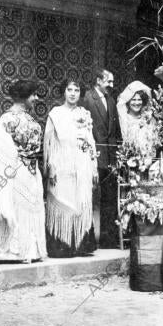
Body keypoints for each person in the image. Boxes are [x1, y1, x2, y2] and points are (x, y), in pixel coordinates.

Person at [0, 79, 47, 263]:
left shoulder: (29, 118)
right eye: (33, 95)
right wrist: (14, 162)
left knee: (29, 207)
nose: (36, 98)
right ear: (24, 96)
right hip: (17, 171)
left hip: (32, 171)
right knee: (18, 206)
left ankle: (29, 250)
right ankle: (8, 251)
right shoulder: (7, 119)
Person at [44, 80, 98, 257]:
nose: (73, 93)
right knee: (63, 198)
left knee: (80, 201)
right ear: (64, 92)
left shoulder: (85, 114)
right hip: (61, 164)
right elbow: (48, 143)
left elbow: (90, 142)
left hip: (81, 164)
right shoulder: (55, 114)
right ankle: (62, 245)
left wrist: (93, 167)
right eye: (69, 89)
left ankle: (81, 245)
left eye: (77, 90)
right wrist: (50, 166)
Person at [80, 68, 120, 248]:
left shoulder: (111, 100)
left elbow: (115, 131)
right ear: (98, 80)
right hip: (93, 156)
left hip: (110, 157)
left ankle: (108, 239)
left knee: (110, 198)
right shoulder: (87, 99)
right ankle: (86, 239)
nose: (111, 85)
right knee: (88, 196)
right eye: (108, 81)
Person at [116, 81, 160, 168]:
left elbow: (154, 142)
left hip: (147, 161)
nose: (136, 103)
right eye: (133, 100)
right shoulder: (123, 119)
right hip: (128, 162)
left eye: (139, 100)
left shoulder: (148, 118)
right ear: (128, 101)